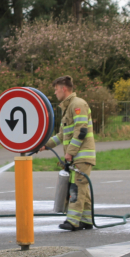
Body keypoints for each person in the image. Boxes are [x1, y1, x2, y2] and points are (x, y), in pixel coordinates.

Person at [42, 76, 96, 231]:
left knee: (77, 188)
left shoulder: (78, 104)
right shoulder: (68, 108)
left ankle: (73, 221)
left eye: (55, 89)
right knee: (82, 187)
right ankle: (86, 220)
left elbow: (81, 131)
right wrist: (44, 145)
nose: (54, 92)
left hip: (82, 155)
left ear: (63, 88)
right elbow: (61, 135)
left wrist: (70, 153)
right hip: (77, 156)